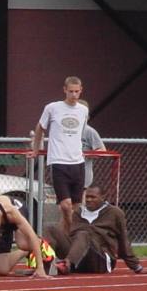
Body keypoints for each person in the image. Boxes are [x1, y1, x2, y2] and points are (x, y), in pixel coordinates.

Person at [43, 185, 147, 275]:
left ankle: (67, 264)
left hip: (100, 260)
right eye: (87, 197)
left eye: (93, 197)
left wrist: (137, 267)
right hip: (79, 259)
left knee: (83, 234)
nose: (89, 200)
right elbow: (71, 237)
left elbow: (123, 240)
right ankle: (42, 267)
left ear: (103, 197)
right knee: (50, 228)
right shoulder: (78, 212)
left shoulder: (115, 213)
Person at [32, 76, 88, 235]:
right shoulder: (52, 108)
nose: (74, 95)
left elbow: (81, 132)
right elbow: (40, 128)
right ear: (64, 90)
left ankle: (62, 237)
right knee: (65, 205)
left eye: (77, 92)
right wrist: (36, 149)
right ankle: (72, 233)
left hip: (77, 161)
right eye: (71, 91)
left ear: (81, 90)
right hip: (59, 161)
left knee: (76, 206)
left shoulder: (83, 110)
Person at [0, 194, 51, 279]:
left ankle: (41, 243)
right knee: (2, 270)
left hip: (17, 209)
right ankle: (25, 252)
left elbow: (31, 235)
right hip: (0, 219)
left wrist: (40, 268)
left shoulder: (11, 212)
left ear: (0, 234)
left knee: (22, 244)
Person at [77, 100, 107, 189]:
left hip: (83, 173)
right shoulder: (65, 131)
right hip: (66, 171)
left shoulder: (89, 131)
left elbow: (102, 150)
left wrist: (87, 154)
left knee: (79, 199)